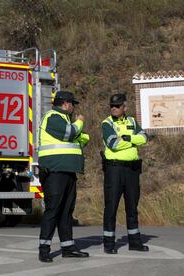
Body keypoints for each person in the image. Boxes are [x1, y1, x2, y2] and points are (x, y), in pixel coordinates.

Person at [38, 91, 90, 262]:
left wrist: (79, 134)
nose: (74, 107)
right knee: (53, 210)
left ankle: (68, 247)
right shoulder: (53, 117)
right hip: (55, 172)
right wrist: (80, 122)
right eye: (72, 103)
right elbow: (70, 133)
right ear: (65, 104)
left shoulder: (64, 119)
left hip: (67, 172)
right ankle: (44, 249)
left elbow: (76, 138)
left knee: (67, 211)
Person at [101, 93, 149, 254]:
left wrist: (127, 137)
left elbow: (144, 137)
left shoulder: (132, 121)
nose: (113, 108)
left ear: (124, 107)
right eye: (112, 106)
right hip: (114, 170)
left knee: (132, 207)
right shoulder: (106, 123)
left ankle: (134, 242)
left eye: (117, 106)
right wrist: (133, 140)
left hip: (132, 170)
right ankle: (109, 244)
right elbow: (113, 144)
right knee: (111, 207)